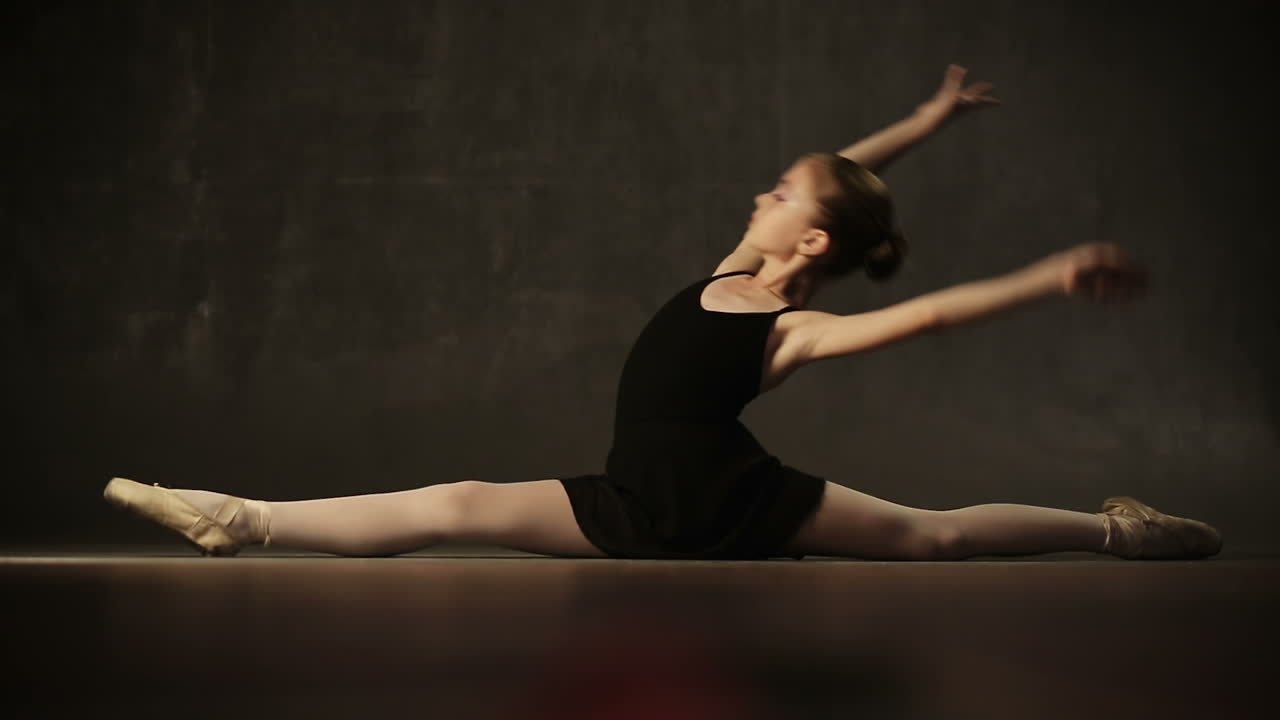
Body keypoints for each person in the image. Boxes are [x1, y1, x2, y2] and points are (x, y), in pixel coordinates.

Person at [103, 65, 1221, 562]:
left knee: (931, 537)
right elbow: (833, 181)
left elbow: (924, 316)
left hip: (733, 500)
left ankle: (1114, 533)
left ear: (811, 244)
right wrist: (922, 125)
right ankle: (240, 518)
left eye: (777, 196)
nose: (757, 195)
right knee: (456, 499)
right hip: (636, 495)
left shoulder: (786, 328)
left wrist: (1042, 275)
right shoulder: (734, 264)